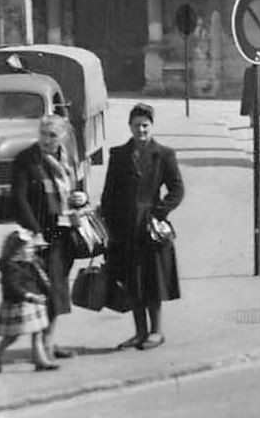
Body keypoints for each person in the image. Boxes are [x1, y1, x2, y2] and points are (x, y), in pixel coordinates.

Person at [101, 103, 184, 351]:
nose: (141, 130)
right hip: (124, 227)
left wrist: (158, 213)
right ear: (129, 127)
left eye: (145, 126)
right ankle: (139, 333)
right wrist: (107, 224)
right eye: (137, 126)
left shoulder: (164, 154)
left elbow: (177, 190)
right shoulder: (118, 155)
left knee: (152, 280)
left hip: (150, 228)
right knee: (131, 281)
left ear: (152, 127)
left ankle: (156, 332)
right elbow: (109, 193)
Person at [10, 115, 87, 361]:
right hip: (42, 233)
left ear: (62, 137)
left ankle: (48, 343)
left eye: (52, 135)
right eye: (43, 133)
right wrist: (35, 232)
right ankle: (40, 349)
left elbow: (79, 189)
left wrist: (81, 199)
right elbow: (19, 200)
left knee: (57, 289)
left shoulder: (69, 158)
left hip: (66, 230)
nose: (46, 139)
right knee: (45, 291)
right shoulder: (26, 159)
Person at [0, 228, 57, 373]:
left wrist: (45, 291)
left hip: (33, 303)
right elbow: (13, 287)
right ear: (16, 250)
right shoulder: (10, 267)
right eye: (28, 248)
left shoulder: (29, 263)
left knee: (37, 332)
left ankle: (41, 360)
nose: (32, 251)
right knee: (12, 336)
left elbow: (39, 279)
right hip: (19, 304)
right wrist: (29, 296)